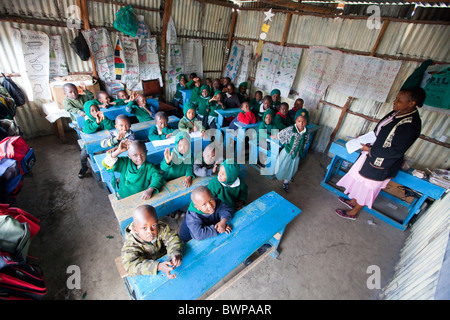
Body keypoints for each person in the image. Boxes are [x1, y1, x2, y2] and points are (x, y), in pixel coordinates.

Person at [335, 87, 425, 220]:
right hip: (371, 155)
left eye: (399, 100)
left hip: (382, 162)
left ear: (412, 103)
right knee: (361, 180)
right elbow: (380, 131)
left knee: (369, 187)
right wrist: (365, 139)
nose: (395, 101)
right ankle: (353, 201)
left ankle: (354, 212)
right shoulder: (397, 112)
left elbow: (396, 150)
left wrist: (370, 150)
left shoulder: (411, 125)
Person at [121, 205, 183, 278]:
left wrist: (175, 253)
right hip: (148, 270)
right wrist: (158, 266)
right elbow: (130, 266)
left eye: (154, 225)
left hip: (165, 258)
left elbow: (173, 238)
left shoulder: (161, 228)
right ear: (135, 229)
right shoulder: (130, 244)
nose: (150, 232)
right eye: (144, 228)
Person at [274, 109, 309, 193]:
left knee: (292, 167)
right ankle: (281, 176)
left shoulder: (306, 133)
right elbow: (281, 134)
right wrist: (273, 136)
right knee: (284, 166)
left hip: (296, 154)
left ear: (307, 122)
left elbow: (305, 142)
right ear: (295, 120)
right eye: (299, 121)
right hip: (287, 152)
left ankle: (286, 180)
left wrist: (301, 151)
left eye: (303, 121)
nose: (301, 123)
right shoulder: (290, 129)